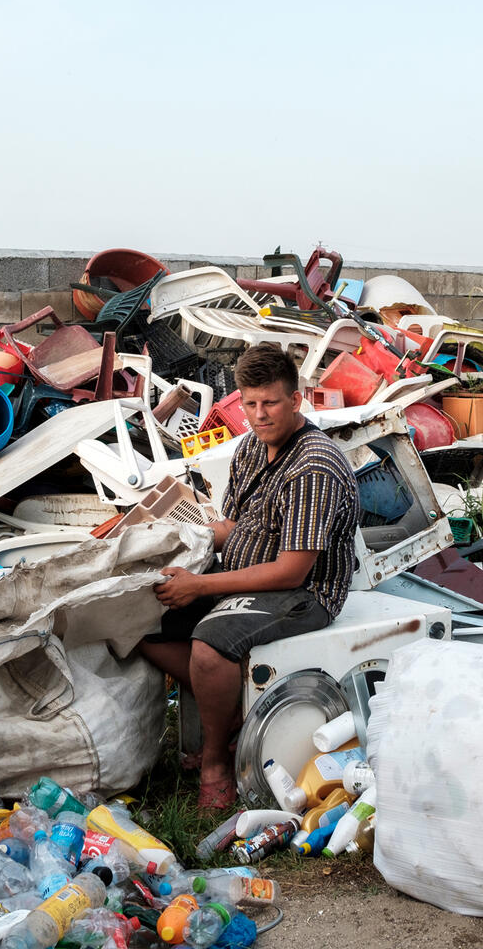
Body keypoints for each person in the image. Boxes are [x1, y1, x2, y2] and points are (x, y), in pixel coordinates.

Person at [139, 344, 360, 810]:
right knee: (142, 622)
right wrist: (168, 537)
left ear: (295, 401)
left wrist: (199, 586)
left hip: (305, 592)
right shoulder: (250, 448)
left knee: (210, 641)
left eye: (271, 403)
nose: (259, 415)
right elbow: (231, 526)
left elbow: (290, 569)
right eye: (250, 404)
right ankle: (240, 714)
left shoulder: (313, 467)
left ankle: (217, 758)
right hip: (243, 571)